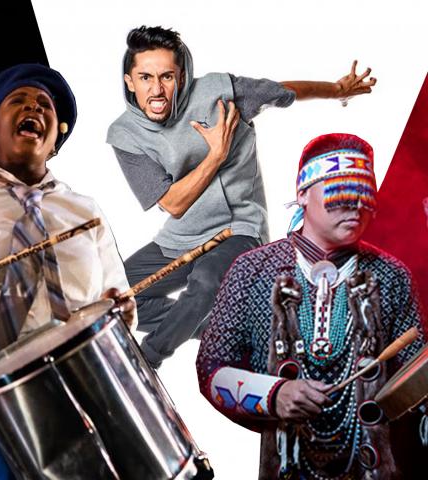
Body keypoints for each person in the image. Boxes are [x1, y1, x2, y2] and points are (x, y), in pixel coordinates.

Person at [107, 25, 377, 368]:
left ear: (183, 75)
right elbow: (173, 204)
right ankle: (212, 327)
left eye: (167, 77)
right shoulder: (125, 135)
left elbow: (283, 92)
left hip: (237, 229)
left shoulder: (220, 93)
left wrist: (338, 89)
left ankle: (148, 358)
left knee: (204, 284)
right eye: (145, 77)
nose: (157, 90)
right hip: (181, 237)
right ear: (130, 80)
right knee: (115, 298)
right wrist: (216, 155)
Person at [196, 133, 425, 479]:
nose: (356, 207)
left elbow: (418, 383)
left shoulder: (392, 276)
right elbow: (212, 368)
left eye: (364, 196)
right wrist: (274, 395)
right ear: (302, 193)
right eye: (341, 195)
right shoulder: (252, 270)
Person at [0, 64, 134, 479]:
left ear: (54, 141)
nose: (33, 107)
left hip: (82, 397)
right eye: (18, 101)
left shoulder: (86, 212)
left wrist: (120, 308)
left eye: (44, 106)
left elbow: (119, 301)